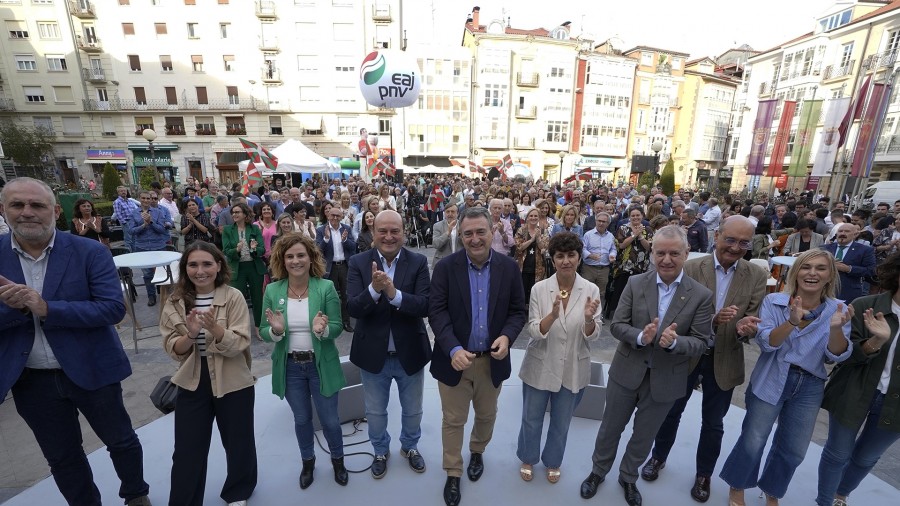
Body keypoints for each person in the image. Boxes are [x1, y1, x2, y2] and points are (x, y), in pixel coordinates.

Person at [0, 178, 151, 506]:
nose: (27, 212)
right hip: (31, 380)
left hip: (92, 367)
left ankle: (137, 496)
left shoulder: (89, 251)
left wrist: (47, 309)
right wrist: (14, 308)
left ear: (55, 211)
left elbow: (112, 308)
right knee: (63, 458)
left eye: (37, 205)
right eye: (17, 205)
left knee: (121, 441)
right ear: (3, 210)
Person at [581, 225, 713, 506]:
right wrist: (641, 336)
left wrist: (675, 343)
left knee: (644, 435)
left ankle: (628, 477)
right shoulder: (636, 283)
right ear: (652, 253)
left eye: (674, 253)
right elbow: (617, 325)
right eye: (661, 253)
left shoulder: (701, 295)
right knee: (610, 428)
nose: (667, 259)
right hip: (627, 371)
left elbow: (702, 342)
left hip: (666, 378)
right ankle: (598, 472)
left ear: (686, 254)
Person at [640, 216, 767, 502]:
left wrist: (745, 328)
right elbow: (674, 314)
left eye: (743, 242)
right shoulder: (692, 267)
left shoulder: (756, 274)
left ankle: (703, 475)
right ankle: (658, 457)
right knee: (671, 412)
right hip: (685, 355)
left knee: (713, 423)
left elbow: (753, 317)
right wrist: (712, 320)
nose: (735, 247)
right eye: (730, 239)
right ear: (717, 236)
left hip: (725, 359)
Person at [720, 249, 854, 506]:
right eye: (806, 267)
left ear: (830, 276)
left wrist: (836, 328)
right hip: (772, 376)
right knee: (753, 439)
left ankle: (772, 489)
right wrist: (792, 322)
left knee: (794, 450)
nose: (812, 273)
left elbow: (835, 356)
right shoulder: (775, 302)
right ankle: (737, 486)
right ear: (796, 272)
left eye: (820, 268)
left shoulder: (838, 310)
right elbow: (769, 343)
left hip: (810, 385)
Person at [429, 206, 527, 506]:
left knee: (486, 416)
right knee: (453, 420)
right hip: (455, 360)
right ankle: (453, 471)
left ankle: (477, 452)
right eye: (468, 233)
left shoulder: (509, 268)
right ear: (461, 233)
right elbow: (437, 311)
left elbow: (517, 311)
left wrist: (507, 336)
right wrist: (453, 348)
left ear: (491, 231)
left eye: (480, 232)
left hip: (491, 362)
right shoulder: (446, 267)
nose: (474, 239)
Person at [159, 242, 257, 506]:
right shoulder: (175, 302)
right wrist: (191, 334)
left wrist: (215, 329)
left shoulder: (233, 296)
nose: (200, 271)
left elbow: (239, 344)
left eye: (207, 264)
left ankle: (238, 492)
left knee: (239, 441)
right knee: (187, 450)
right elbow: (174, 349)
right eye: (193, 264)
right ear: (184, 268)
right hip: (193, 381)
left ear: (219, 266)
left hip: (234, 378)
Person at [346, 210, 432, 478]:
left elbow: (425, 305)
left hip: (410, 353)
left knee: (413, 410)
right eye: (383, 230)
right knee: (375, 412)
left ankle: (410, 446)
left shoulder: (417, 262)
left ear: (403, 233)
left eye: (395, 230)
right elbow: (353, 309)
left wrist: (393, 294)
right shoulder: (358, 263)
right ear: (373, 232)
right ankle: (380, 450)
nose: (389, 236)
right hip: (373, 355)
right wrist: (373, 289)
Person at [260, 232, 347, 489]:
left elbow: (337, 326)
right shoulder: (273, 290)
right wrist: (276, 330)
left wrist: (323, 329)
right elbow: (264, 332)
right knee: (301, 420)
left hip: (321, 365)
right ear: (281, 260)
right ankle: (307, 462)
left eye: (301, 255)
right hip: (290, 368)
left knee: (330, 420)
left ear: (311, 258)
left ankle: (338, 460)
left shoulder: (325, 287)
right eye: (289, 256)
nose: (295, 261)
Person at [817, 252, 900, 506]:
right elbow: (841, 356)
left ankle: (840, 495)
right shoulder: (867, 306)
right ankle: (825, 501)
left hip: (895, 403)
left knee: (866, 458)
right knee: (838, 453)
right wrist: (875, 341)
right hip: (854, 389)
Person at [517, 232, 601, 484]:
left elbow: (594, 335)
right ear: (553, 260)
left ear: (578, 258)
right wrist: (552, 316)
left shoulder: (591, 289)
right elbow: (533, 330)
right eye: (560, 256)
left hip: (573, 366)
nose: (566, 261)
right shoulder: (539, 289)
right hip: (540, 364)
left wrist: (588, 320)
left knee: (561, 422)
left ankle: (553, 461)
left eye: (571, 255)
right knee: (531, 419)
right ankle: (528, 457)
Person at [222, 203, 266, 340]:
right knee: (237, 300)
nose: (234, 215)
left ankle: (259, 327)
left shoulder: (255, 228)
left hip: (254, 267)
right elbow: (226, 251)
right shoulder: (228, 230)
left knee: (258, 299)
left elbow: (262, 250)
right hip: (237, 269)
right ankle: (238, 329)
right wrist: (236, 250)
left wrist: (253, 249)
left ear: (245, 214)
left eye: (237, 212)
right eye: (233, 212)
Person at [607, 207, 653, 319]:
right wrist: (634, 235)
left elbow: (649, 248)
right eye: (633, 215)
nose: (635, 217)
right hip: (624, 266)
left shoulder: (648, 229)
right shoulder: (623, 228)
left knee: (637, 292)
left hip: (641, 266)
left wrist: (641, 236)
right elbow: (621, 245)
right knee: (621, 290)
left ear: (642, 216)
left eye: (638, 215)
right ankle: (617, 313)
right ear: (629, 216)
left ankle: (634, 314)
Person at [316, 206, 357, 333]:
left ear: (341, 217)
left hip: (344, 266)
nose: (335, 218)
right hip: (330, 267)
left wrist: (345, 240)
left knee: (346, 295)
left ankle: (346, 321)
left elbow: (352, 247)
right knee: (330, 296)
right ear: (328, 216)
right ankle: (332, 322)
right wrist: (326, 239)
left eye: (337, 216)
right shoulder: (321, 230)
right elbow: (317, 250)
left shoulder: (346, 229)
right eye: (332, 215)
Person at [130, 190, 171, 306]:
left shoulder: (158, 212)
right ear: (139, 199)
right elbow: (131, 231)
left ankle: (165, 295)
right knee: (147, 274)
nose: (146, 200)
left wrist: (151, 222)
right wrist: (143, 225)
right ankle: (151, 296)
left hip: (158, 245)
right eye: (143, 198)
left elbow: (162, 229)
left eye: (148, 198)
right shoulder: (134, 213)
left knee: (162, 272)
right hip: (142, 247)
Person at [821, 223, 876, 303]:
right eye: (840, 231)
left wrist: (848, 269)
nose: (842, 233)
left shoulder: (865, 250)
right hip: (823, 291)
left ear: (855, 235)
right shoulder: (824, 248)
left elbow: (871, 271)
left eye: (847, 231)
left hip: (848, 293)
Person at [514, 207, 551, 302]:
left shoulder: (543, 231)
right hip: (523, 266)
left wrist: (538, 238)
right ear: (527, 218)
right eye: (531, 216)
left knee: (534, 294)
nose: (533, 218)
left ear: (538, 218)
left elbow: (544, 248)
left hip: (538, 267)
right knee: (521, 293)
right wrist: (531, 240)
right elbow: (519, 248)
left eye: (535, 216)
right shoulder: (521, 230)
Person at [581, 211, 616, 308]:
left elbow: (613, 248)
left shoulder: (610, 236)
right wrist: (590, 255)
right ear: (595, 221)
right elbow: (582, 248)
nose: (601, 223)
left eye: (603, 222)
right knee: (586, 292)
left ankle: (598, 315)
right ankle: (584, 314)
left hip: (604, 268)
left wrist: (612, 255)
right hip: (589, 268)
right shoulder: (588, 235)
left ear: (608, 223)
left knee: (601, 293)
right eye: (599, 221)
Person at [432, 203, 462, 268]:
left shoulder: (463, 225)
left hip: (460, 261)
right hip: (443, 262)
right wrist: (447, 233)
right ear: (444, 213)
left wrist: (461, 234)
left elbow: (467, 244)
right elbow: (436, 244)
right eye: (447, 212)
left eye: (453, 212)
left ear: (458, 213)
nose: (450, 214)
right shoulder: (437, 226)